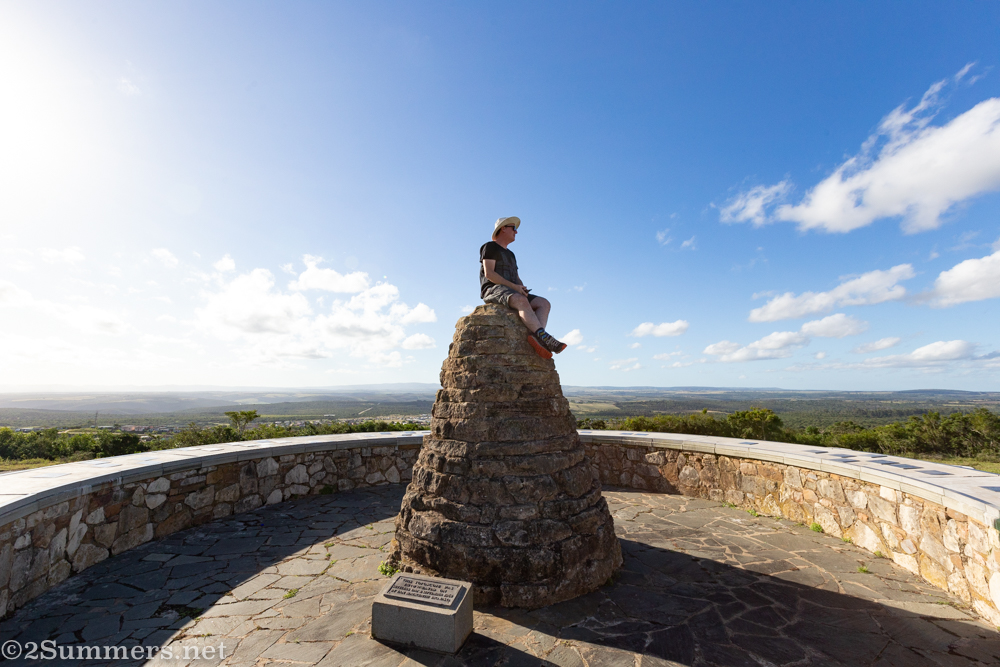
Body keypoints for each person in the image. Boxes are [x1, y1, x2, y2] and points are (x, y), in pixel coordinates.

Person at [480, 216, 567, 359]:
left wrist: (521, 287)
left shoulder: (511, 254)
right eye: (513, 228)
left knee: (544, 303)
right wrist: (515, 287)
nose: (516, 232)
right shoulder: (489, 246)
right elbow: (489, 274)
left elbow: (516, 276)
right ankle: (545, 338)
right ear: (503, 228)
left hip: (511, 290)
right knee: (521, 301)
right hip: (493, 289)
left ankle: (537, 338)